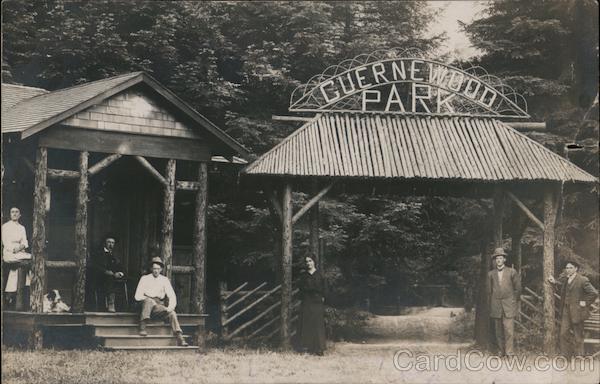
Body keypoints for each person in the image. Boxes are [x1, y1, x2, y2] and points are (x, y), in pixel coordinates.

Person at [134, 257, 188, 346]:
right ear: (151, 268)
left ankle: (180, 337)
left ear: (161, 269)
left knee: (172, 313)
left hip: (157, 307)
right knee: (149, 301)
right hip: (144, 305)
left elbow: (172, 295)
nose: (156, 271)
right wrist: (149, 300)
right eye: (154, 268)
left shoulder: (164, 280)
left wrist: (170, 308)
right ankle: (142, 327)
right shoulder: (144, 278)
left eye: (158, 269)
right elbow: (137, 296)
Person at [548, 261, 599, 356]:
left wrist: (585, 302)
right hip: (566, 311)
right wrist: (554, 281)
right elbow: (562, 286)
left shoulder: (583, 280)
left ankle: (579, 358)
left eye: (570, 268)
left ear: (576, 269)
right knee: (563, 334)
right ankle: (566, 357)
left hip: (578, 312)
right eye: (567, 268)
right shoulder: (566, 280)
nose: (568, 270)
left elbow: (594, 293)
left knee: (578, 336)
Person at [487, 247, 521, 357]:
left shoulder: (512, 272)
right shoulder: (491, 274)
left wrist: (512, 301)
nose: (498, 260)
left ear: (504, 260)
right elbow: (489, 291)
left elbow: (518, 289)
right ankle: (500, 352)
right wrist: (491, 304)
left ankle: (509, 353)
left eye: (501, 258)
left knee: (509, 331)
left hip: (508, 306)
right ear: (494, 260)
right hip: (496, 305)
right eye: (497, 258)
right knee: (498, 332)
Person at [2, 207, 32, 304]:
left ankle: (12, 293)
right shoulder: (5, 226)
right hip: (9, 253)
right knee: (26, 262)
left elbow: (25, 242)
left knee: (27, 261)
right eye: (12, 212)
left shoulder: (21, 228)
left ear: (20, 215)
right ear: (10, 214)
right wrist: (15, 249)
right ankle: (17, 292)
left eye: (16, 212)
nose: (14, 214)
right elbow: (5, 242)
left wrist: (20, 247)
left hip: (20, 252)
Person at [298, 253, 326, 355]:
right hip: (307, 301)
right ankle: (306, 347)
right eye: (307, 261)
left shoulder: (320, 275)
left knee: (318, 324)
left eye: (310, 261)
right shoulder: (304, 276)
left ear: (314, 262)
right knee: (306, 323)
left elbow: (323, 289)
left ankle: (319, 348)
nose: (308, 263)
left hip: (317, 302)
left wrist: (322, 297)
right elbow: (301, 289)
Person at [89, 236, 125, 312]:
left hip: (114, 276)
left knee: (121, 279)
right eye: (109, 242)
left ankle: (121, 305)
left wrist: (120, 273)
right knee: (109, 278)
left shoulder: (116, 254)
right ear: (105, 243)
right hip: (100, 276)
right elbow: (95, 266)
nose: (111, 244)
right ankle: (111, 303)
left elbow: (120, 266)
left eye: (112, 243)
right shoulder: (99, 253)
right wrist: (106, 272)